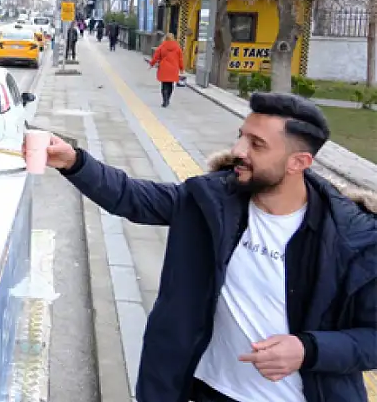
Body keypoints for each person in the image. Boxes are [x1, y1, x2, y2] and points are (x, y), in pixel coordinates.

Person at [29, 92, 377, 402]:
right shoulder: (210, 200)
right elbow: (132, 197)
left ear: (298, 162)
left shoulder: (354, 238)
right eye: (241, 136)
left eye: (257, 145)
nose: (238, 151)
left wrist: (308, 350)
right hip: (204, 389)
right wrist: (74, 161)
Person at [149, 32, 184, 107]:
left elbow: (156, 57)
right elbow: (180, 59)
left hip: (164, 68)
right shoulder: (177, 47)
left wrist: (151, 64)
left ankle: (165, 100)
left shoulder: (161, 47)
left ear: (165, 38)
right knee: (170, 84)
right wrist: (181, 68)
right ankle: (168, 99)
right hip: (173, 68)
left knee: (164, 85)